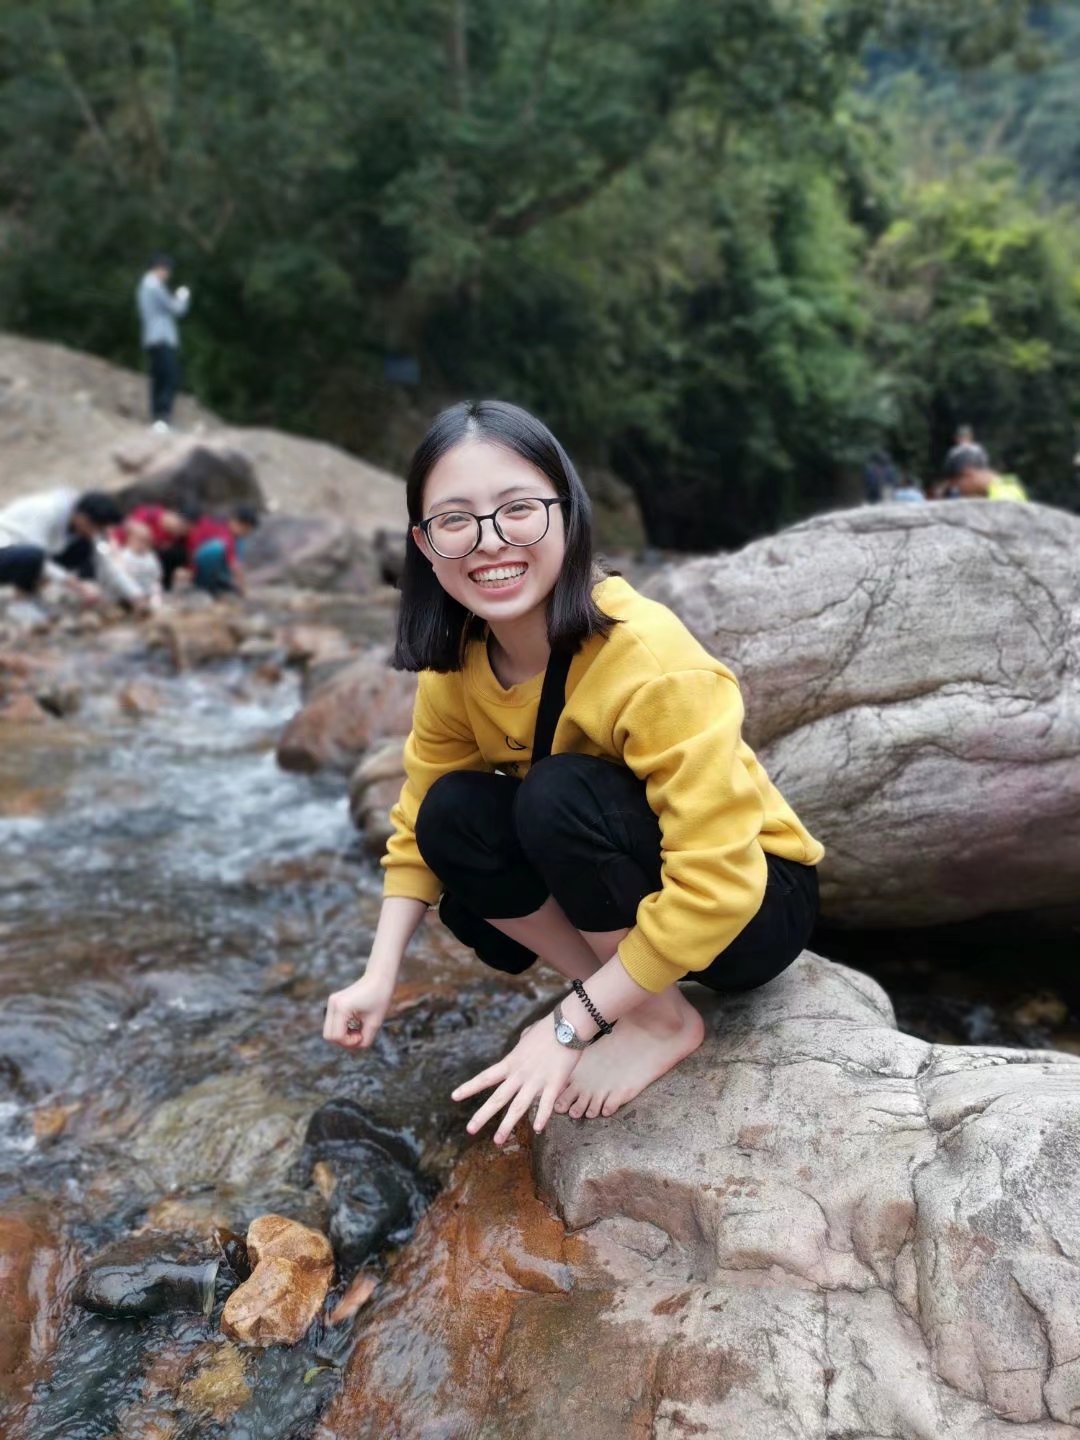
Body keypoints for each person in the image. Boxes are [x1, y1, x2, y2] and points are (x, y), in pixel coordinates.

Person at [322, 400, 824, 1146]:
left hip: (752, 903)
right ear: (424, 544)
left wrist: (566, 1026)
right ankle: (642, 1004)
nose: (490, 541)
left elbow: (720, 883)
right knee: (451, 812)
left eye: (518, 509)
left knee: (557, 791)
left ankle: (646, 1018)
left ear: (568, 512)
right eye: (455, 520)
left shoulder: (648, 656)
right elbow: (417, 821)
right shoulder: (459, 662)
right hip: (635, 887)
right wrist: (379, 973)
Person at [0, 488, 140, 604]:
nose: (95, 533)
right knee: (33, 556)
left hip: (28, 555)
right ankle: (21, 596)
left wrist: (136, 595)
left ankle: (32, 591)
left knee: (83, 548)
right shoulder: (46, 510)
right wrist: (76, 585)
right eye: (96, 528)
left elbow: (105, 561)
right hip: (8, 549)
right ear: (83, 518)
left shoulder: (79, 527)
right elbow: (38, 556)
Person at [136, 252, 190, 432]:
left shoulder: (145, 286)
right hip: (161, 338)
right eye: (166, 270)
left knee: (159, 377)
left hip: (152, 338)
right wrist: (182, 297)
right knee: (169, 376)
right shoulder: (154, 287)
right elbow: (177, 309)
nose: (167, 274)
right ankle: (162, 417)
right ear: (158, 269)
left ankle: (158, 418)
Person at [118, 502, 195, 590]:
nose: (179, 531)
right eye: (180, 525)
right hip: (133, 561)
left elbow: (189, 554)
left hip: (155, 569)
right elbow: (120, 536)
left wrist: (187, 571)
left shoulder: (179, 537)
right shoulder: (148, 516)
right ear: (172, 513)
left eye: (184, 530)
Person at [185, 505, 259, 595]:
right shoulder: (222, 531)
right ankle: (206, 585)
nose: (245, 534)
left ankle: (220, 582)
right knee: (217, 548)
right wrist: (244, 588)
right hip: (194, 567)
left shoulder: (234, 537)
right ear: (238, 523)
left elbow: (236, 562)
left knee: (236, 544)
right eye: (245, 530)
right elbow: (235, 565)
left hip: (206, 566)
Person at [98, 518, 164, 612]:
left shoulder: (151, 557)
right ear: (131, 538)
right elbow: (121, 582)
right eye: (141, 539)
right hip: (128, 599)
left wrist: (155, 598)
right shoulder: (123, 557)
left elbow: (156, 579)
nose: (144, 543)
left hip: (148, 596)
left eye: (147, 540)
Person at [942, 446, 1029, 502]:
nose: (959, 491)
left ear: (967, 473)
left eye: (957, 485)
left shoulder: (1004, 497)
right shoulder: (1006, 488)